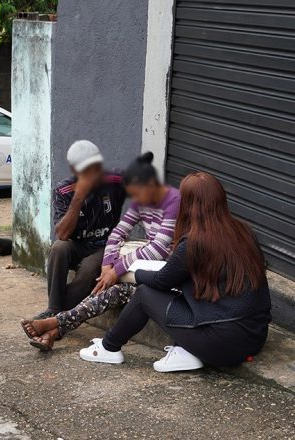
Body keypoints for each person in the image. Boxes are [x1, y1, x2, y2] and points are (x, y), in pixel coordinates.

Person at [78, 172, 271, 372]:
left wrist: (133, 273)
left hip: (221, 345)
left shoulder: (194, 243)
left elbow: (162, 281)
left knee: (144, 294)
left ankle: (109, 347)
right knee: (186, 293)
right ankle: (186, 351)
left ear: (187, 204)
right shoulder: (245, 231)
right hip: (255, 337)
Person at [22, 152, 180, 350]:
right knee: (105, 290)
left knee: (104, 284)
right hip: (149, 270)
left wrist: (117, 268)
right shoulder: (142, 201)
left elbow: (158, 248)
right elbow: (118, 233)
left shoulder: (173, 199)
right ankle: (54, 327)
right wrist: (108, 265)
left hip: (166, 274)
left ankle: (54, 325)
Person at [32, 140, 126, 320]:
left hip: (104, 246)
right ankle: (54, 309)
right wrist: (78, 198)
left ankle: (59, 316)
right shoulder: (64, 190)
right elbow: (63, 234)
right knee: (59, 248)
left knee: (90, 268)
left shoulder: (115, 181)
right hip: (77, 244)